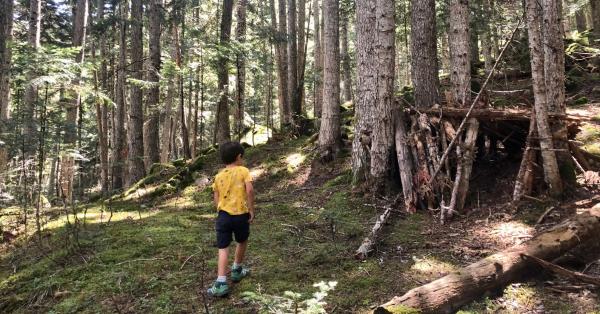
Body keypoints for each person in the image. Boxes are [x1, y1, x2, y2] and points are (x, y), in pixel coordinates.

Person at [206, 141, 255, 297]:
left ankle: (220, 282)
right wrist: (251, 209)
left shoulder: (219, 176)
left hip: (223, 216)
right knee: (242, 240)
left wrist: (220, 210)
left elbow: (216, 196)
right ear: (239, 156)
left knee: (223, 247)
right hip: (241, 214)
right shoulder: (243, 171)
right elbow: (250, 190)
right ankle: (237, 270)